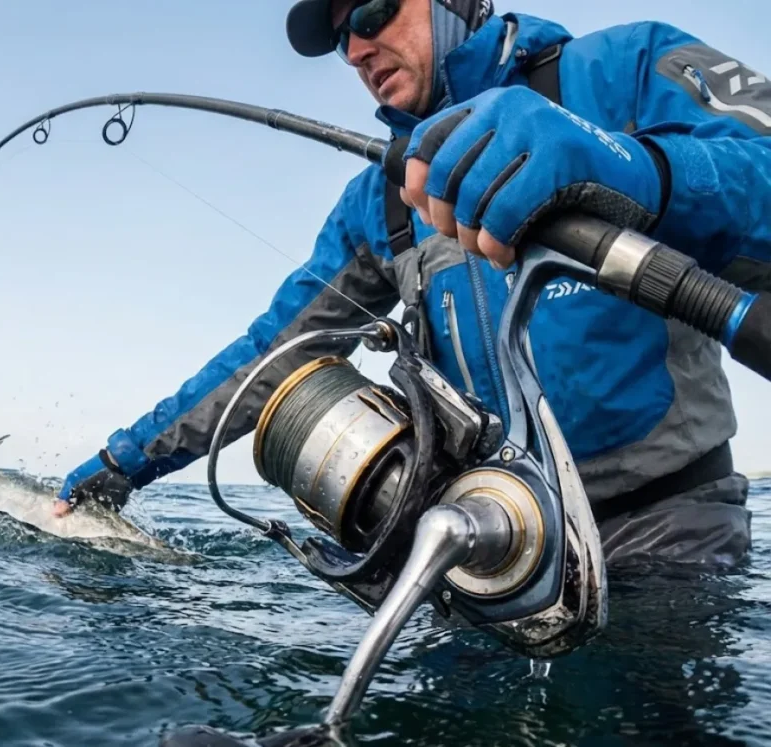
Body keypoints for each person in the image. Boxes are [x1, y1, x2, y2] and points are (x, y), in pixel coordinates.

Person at [53, 0, 769, 567]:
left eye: (372, 14)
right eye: (343, 41)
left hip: (672, 531)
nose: (358, 50)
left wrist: (635, 168)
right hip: (489, 543)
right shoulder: (381, 199)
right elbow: (274, 352)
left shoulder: (627, 65)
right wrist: (126, 460)